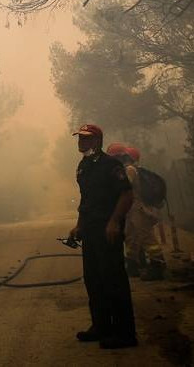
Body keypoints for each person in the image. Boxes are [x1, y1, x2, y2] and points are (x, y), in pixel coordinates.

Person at [70, 124, 137, 349]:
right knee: (94, 280)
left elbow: (126, 195)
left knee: (113, 280)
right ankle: (101, 327)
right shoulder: (84, 166)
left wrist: (114, 222)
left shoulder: (111, 165)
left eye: (86, 139)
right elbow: (85, 199)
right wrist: (79, 225)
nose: (81, 142)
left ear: (97, 141)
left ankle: (125, 334)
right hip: (90, 231)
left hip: (108, 231)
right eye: (79, 138)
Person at [118, 146, 166, 281]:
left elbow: (124, 187)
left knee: (146, 236)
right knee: (131, 236)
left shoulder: (130, 170)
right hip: (131, 209)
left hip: (137, 209)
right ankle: (132, 264)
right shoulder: (129, 169)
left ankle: (158, 264)